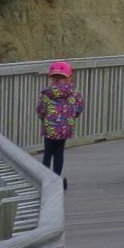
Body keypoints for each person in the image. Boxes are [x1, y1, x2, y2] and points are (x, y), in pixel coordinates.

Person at [36, 60, 84, 188]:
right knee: (59, 153)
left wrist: (44, 119)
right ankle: (56, 179)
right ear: (69, 77)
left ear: (51, 77)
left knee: (47, 153)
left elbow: (40, 110)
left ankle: (44, 179)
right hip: (65, 129)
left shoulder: (46, 94)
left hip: (50, 128)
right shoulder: (74, 93)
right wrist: (70, 119)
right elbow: (78, 109)